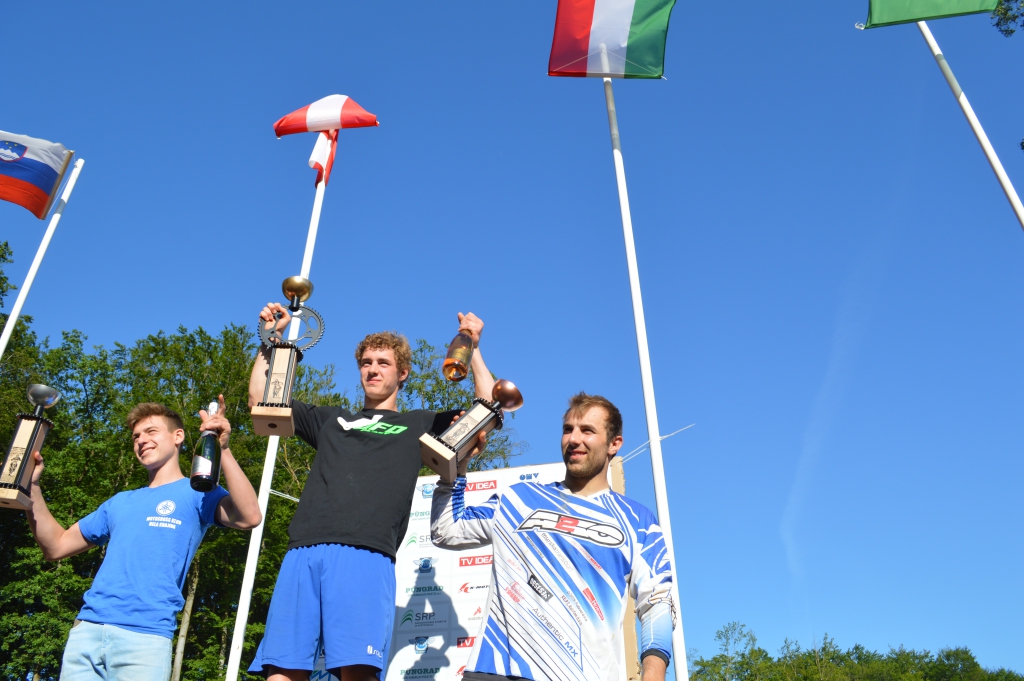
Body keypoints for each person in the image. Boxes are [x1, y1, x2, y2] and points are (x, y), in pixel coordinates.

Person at [247, 305, 496, 681]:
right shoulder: (330, 419)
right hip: (303, 551)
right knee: (281, 672)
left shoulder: (420, 423)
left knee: (358, 673)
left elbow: (486, 414)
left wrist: (472, 347)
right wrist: (270, 340)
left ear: (402, 373)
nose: (373, 370)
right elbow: (261, 401)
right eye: (366, 362)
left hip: (364, 554)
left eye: (383, 363)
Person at [431, 393, 677, 681]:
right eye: (568, 429)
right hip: (495, 670)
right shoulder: (518, 499)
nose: (574, 439)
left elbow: (657, 602)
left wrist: (653, 675)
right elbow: (447, 530)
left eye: (587, 430)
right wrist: (456, 464)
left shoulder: (639, 521)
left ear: (614, 444)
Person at [26, 396, 262, 681]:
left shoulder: (198, 492)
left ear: (178, 437)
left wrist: (223, 449)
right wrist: (32, 487)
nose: (141, 440)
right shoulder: (119, 502)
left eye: (151, 431)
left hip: (145, 638)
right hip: (87, 632)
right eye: (136, 436)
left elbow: (249, 516)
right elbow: (56, 546)